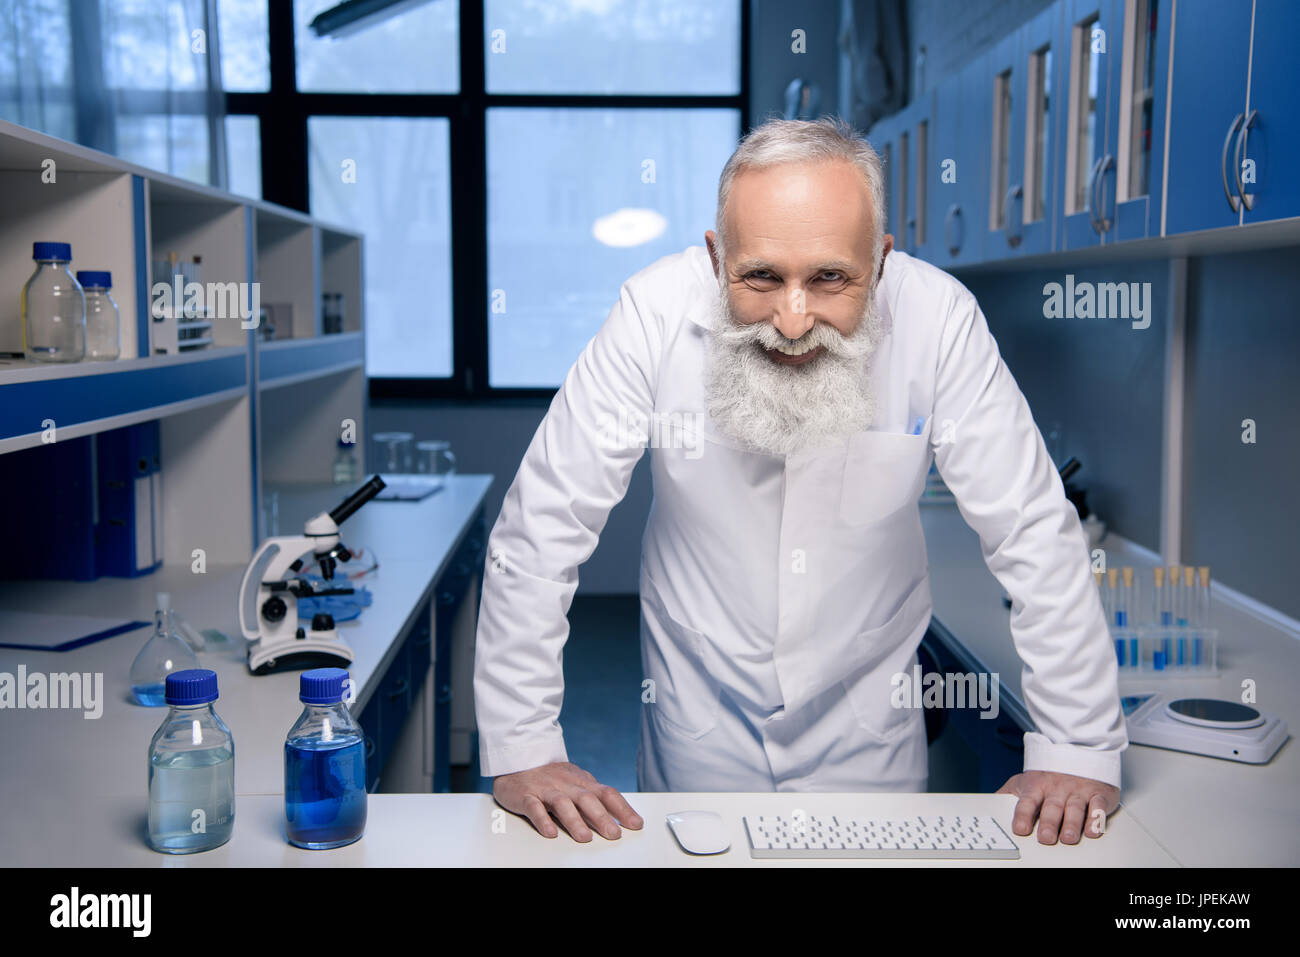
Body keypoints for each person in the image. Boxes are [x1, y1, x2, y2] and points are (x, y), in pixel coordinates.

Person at [474, 117, 1126, 846]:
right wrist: (524, 744)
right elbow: (541, 528)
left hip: (867, 732)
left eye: (829, 278)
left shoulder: (938, 318)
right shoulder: (652, 313)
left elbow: (1031, 525)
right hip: (698, 723)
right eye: (760, 276)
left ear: (878, 264)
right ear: (717, 256)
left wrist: (1077, 743)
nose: (792, 319)